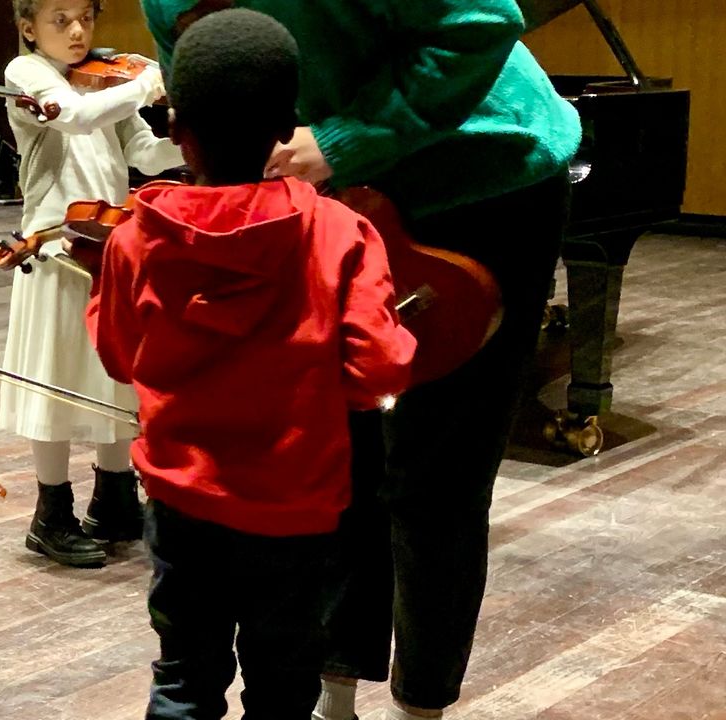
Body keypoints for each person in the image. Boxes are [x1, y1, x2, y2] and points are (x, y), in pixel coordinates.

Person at [141, 2, 583, 719]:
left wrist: (343, 141)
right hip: (327, 197)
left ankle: (420, 706)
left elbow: (480, 20)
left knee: (438, 482)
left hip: (478, 172)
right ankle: (333, 698)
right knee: (330, 466)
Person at [85, 9, 415, 718]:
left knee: (184, 679)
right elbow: (379, 371)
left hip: (181, 503)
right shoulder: (341, 232)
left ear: (176, 126)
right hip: (297, 511)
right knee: (284, 686)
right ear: (287, 126)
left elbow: (117, 354)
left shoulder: (135, 238)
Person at [0, 0, 184, 568]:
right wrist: (147, 83)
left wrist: (193, 139)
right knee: (53, 382)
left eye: (85, 18)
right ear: (29, 28)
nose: (77, 31)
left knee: (114, 376)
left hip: (110, 246)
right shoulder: (26, 72)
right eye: (60, 20)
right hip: (54, 247)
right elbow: (74, 116)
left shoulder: (104, 81)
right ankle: (51, 515)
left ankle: (115, 500)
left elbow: (145, 155)